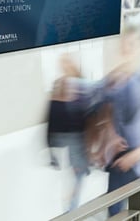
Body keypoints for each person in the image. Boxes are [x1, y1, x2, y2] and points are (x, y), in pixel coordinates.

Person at [102, 25, 140, 216]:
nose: (127, 49)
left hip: (139, 164)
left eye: (132, 44)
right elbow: (107, 113)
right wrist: (112, 135)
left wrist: (136, 155)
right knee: (114, 211)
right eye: (124, 44)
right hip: (119, 158)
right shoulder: (114, 79)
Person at [46, 54, 90, 212]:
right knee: (69, 179)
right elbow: (51, 115)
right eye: (62, 64)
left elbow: (88, 115)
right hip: (62, 139)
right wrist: (49, 145)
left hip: (77, 139)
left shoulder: (82, 85)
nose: (64, 67)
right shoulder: (58, 84)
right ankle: (69, 210)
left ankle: (71, 210)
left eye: (66, 63)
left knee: (76, 176)